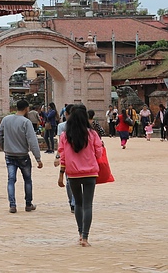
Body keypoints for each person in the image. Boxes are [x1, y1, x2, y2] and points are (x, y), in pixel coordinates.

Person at [58, 103, 103, 247]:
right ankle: (85, 237)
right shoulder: (92, 134)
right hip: (90, 173)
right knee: (88, 205)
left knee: (78, 203)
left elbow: (62, 156)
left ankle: (79, 233)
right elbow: (99, 153)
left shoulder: (65, 135)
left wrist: (61, 174)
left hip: (73, 174)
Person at [0, 99, 43, 213]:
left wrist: (5, 148)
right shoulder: (26, 122)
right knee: (27, 180)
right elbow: (32, 141)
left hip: (9, 154)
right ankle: (28, 204)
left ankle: (12, 205)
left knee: (11, 180)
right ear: (26, 108)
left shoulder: (6, 119)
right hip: (23, 155)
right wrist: (38, 158)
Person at [55, 104, 75, 213]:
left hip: (68, 159)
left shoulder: (62, 126)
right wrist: (58, 156)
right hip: (70, 158)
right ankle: (73, 202)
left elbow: (60, 145)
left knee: (69, 181)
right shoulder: (62, 126)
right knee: (71, 181)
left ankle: (73, 202)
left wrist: (58, 156)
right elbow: (61, 145)